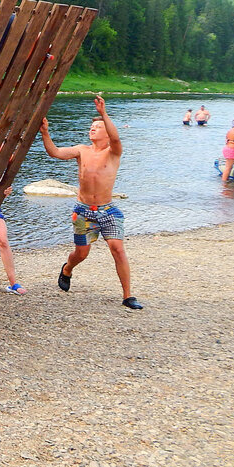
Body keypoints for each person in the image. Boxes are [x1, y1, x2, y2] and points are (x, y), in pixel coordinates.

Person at [40, 96, 143, 310]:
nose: (92, 129)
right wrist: (45, 133)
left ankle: (127, 295)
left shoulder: (113, 152)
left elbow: (116, 138)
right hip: (83, 211)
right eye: (91, 126)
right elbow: (55, 152)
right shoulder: (82, 151)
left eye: (98, 127)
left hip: (108, 210)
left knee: (117, 248)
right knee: (82, 253)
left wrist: (104, 114)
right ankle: (67, 268)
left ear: (107, 131)